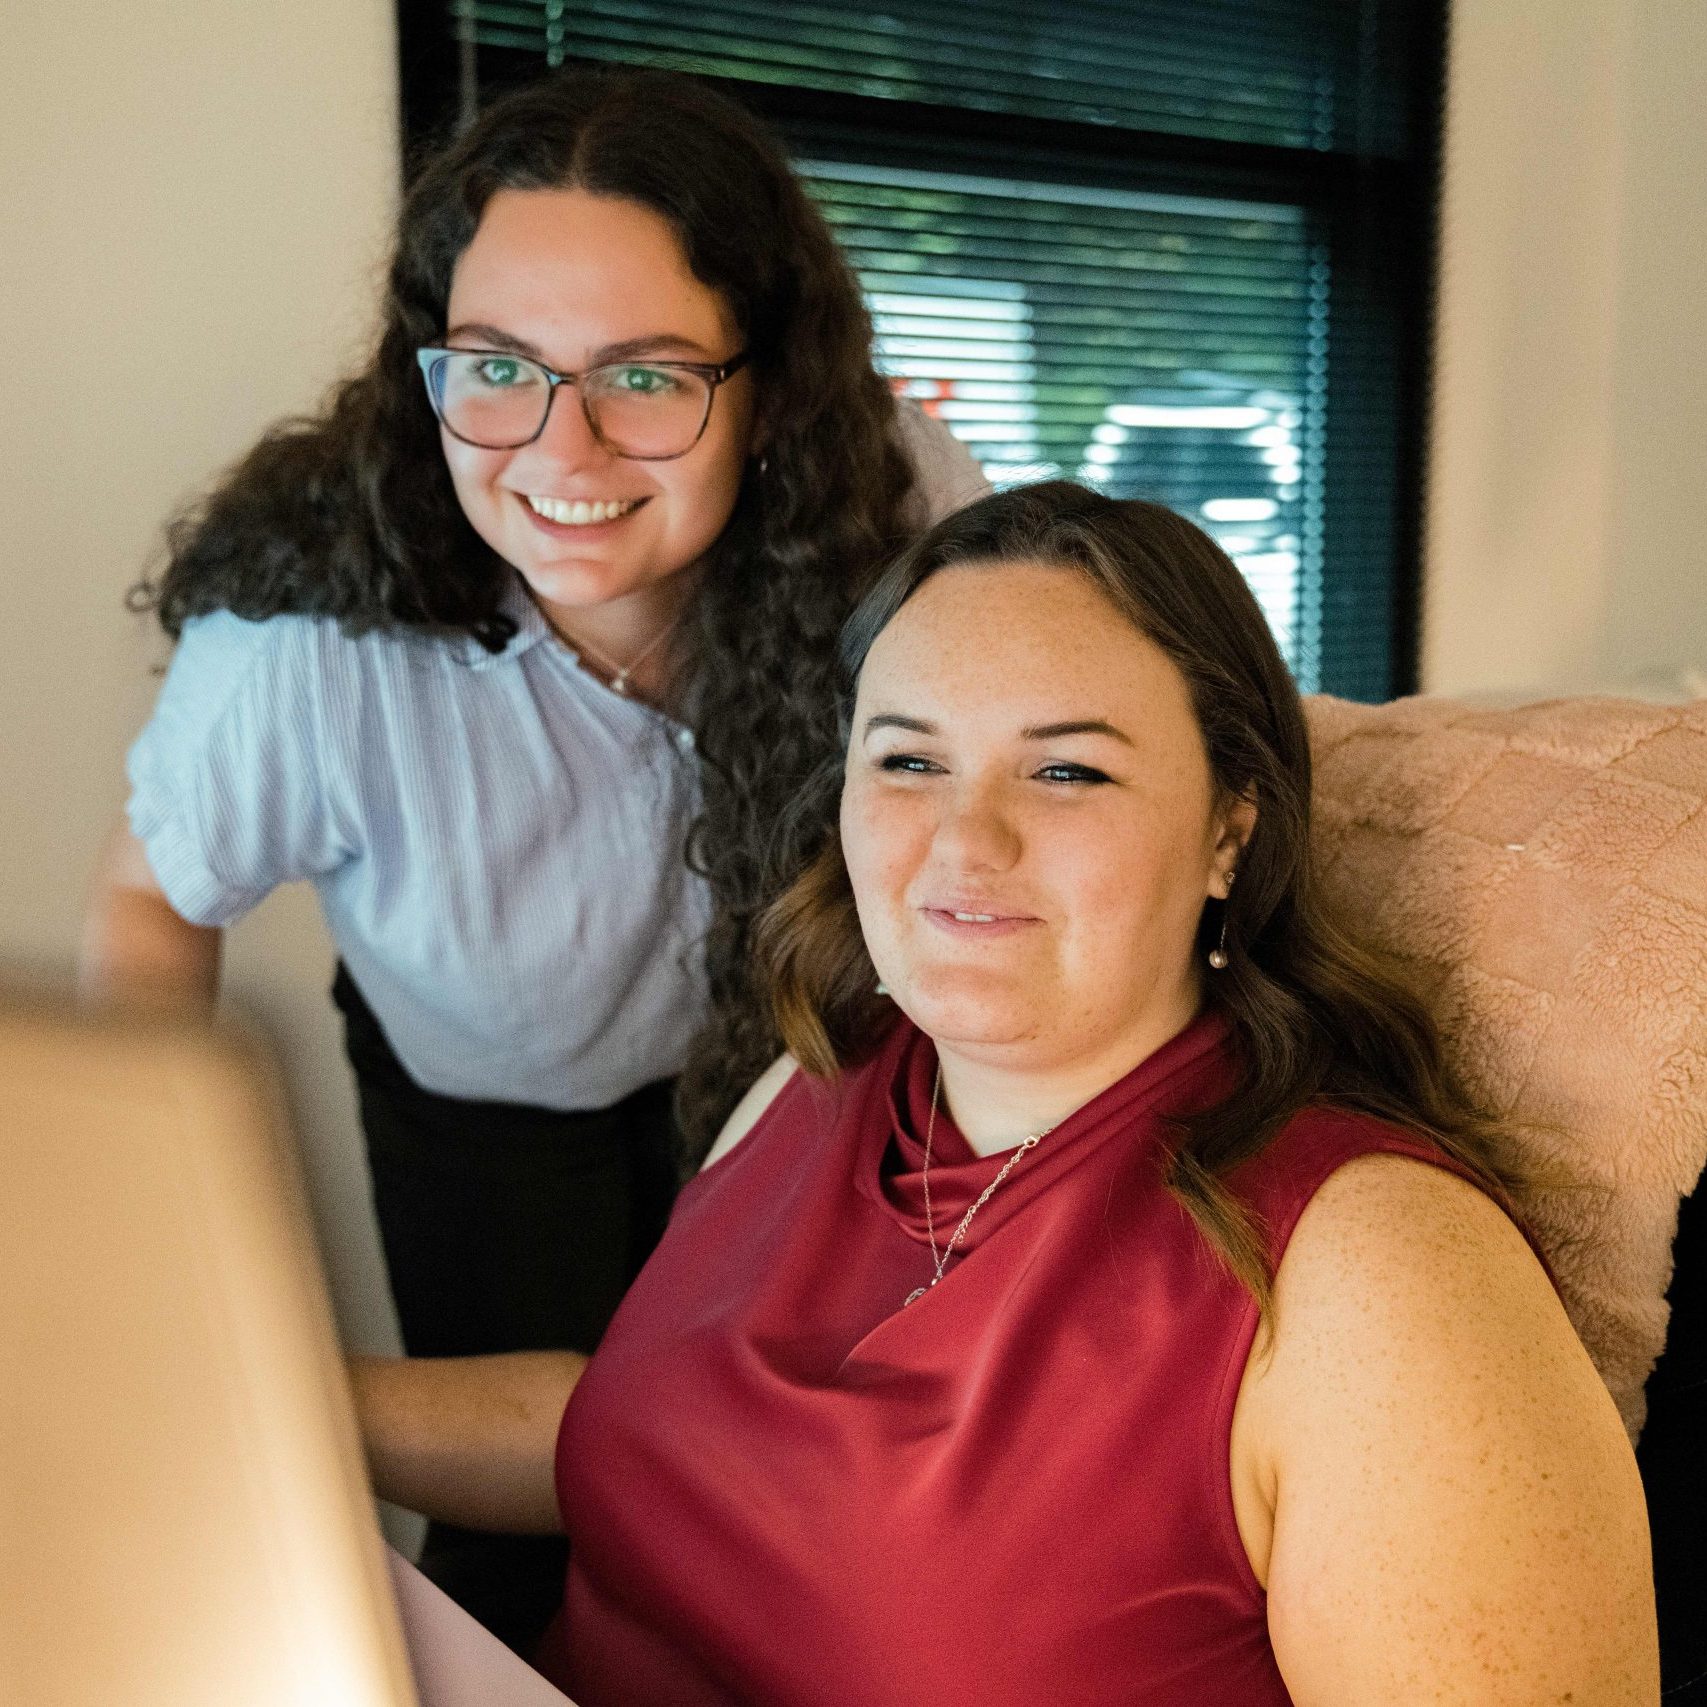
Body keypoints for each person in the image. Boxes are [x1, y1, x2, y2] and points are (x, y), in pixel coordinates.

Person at [354, 481, 1658, 1704]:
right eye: (909, 762)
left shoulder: (1374, 1271)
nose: (965, 843)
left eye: (1068, 770)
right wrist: (261, 1395)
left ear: (1228, 829)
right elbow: (645, 1433)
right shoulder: (825, 1079)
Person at [79, 67, 984, 1650]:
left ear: (768, 383)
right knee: (526, 1537)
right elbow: (157, 895)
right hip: (485, 1108)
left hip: (782, 1066)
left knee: (777, 1501)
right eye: (497, 368)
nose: (560, 447)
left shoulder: (891, 510)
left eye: (645, 376)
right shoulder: (306, 646)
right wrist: (173, 1260)